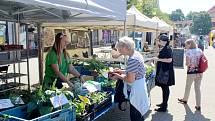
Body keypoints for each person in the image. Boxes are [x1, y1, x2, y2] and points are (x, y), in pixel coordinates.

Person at [109, 36, 149, 121]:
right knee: (138, 114)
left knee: (135, 116)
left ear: (125, 47)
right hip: (139, 87)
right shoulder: (136, 54)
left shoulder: (133, 59)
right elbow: (133, 71)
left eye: (119, 49)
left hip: (136, 90)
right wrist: (121, 71)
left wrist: (118, 76)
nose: (119, 52)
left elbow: (130, 79)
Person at [178, 39, 203, 111]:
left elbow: (187, 64)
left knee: (188, 87)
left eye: (186, 44)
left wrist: (187, 63)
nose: (185, 46)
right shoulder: (200, 50)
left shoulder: (188, 52)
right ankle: (198, 105)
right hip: (200, 72)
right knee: (197, 89)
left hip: (191, 72)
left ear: (190, 44)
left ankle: (185, 99)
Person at [153, 34, 175, 112]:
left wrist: (159, 60)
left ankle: (164, 106)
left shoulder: (168, 49)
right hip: (164, 71)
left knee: (165, 88)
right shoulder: (165, 48)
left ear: (164, 41)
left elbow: (169, 60)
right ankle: (164, 103)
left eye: (160, 40)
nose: (159, 41)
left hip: (166, 72)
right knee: (164, 88)